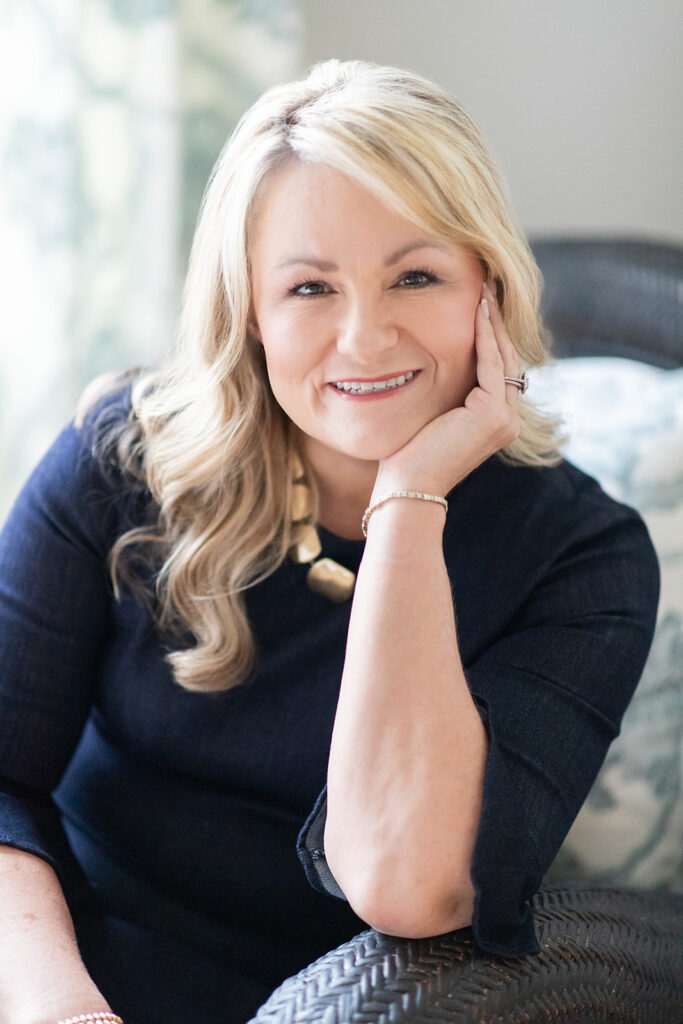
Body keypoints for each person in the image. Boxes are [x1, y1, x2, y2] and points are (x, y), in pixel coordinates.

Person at [0, 59, 659, 1024]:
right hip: (45, 961)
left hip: (335, 1004)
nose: (363, 338)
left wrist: (407, 503)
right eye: (310, 287)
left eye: (415, 275)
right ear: (251, 312)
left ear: (490, 286)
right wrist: (60, 1010)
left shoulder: (583, 556)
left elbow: (410, 884)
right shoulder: (124, 458)